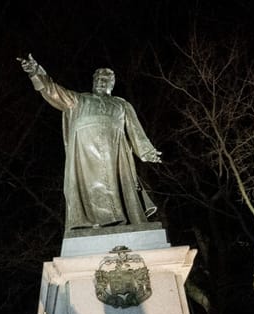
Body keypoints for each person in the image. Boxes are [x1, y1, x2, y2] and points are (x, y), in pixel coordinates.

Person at [18, 55, 163, 230]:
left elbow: (135, 129)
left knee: (118, 186)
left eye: (106, 80)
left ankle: (124, 219)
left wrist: (146, 150)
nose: (101, 82)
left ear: (112, 84)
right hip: (85, 156)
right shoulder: (79, 100)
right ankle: (92, 222)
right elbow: (53, 91)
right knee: (89, 189)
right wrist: (35, 72)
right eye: (98, 79)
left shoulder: (122, 105)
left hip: (115, 153)